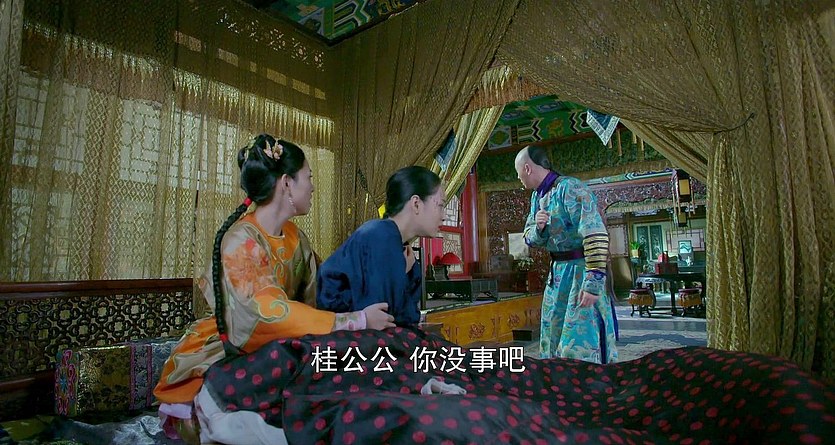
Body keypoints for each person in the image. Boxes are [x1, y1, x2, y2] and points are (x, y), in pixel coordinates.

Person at [153, 134, 395, 444]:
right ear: (286, 183)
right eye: (308, 178)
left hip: (287, 341)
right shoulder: (241, 240)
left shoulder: (295, 237)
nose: (312, 187)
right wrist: (355, 320)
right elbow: (267, 313)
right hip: (238, 343)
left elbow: (320, 292)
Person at [514, 146, 618, 364]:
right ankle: (557, 378)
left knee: (580, 337)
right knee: (553, 333)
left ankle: (588, 381)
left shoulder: (570, 188)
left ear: (527, 168)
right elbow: (529, 238)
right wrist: (539, 228)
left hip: (580, 272)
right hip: (557, 276)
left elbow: (595, 234)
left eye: (518, 172)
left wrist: (593, 283)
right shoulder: (536, 197)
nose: (518, 178)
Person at [317, 165, 445, 325]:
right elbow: (384, 315)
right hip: (337, 329)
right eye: (440, 205)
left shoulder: (402, 249)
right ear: (416, 204)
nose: (443, 216)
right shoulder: (379, 235)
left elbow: (408, 315)